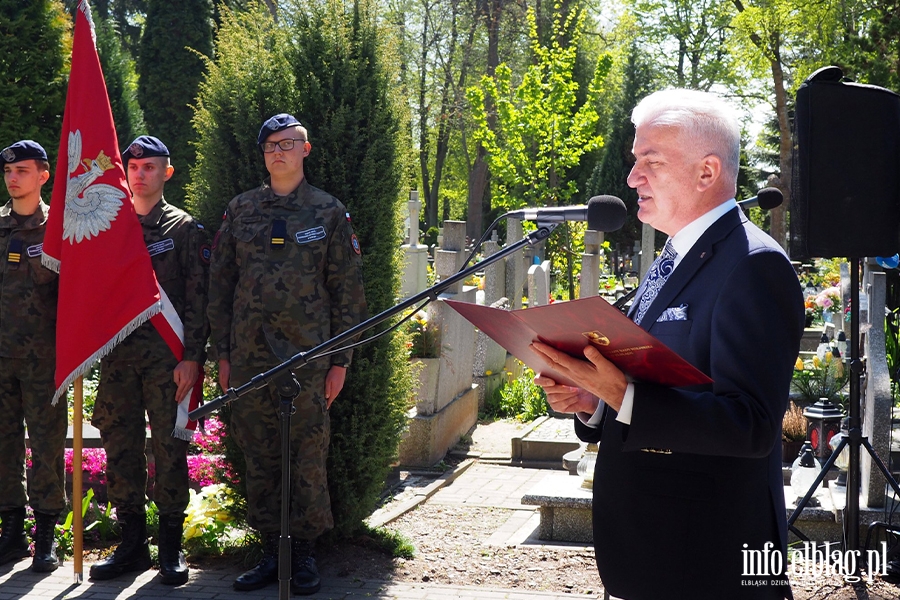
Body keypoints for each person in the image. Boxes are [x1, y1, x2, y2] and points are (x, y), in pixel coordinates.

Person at [532, 90, 804, 600]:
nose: (633, 178)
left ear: (707, 172)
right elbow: (654, 382)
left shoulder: (752, 265)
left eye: (650, 162)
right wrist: (594, 402)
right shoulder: (677, 256)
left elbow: (752, 426)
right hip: (649, 554)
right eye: (635, 162)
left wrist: (624, 397)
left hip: (706, 562)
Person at [207, 113, 367, 595]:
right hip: (250, 356)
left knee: (306, 454)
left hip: (310, 357)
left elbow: (348, 292)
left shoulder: (328, 211)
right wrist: (223, 355)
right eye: (271, 145)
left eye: (288, 143)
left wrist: (341, 362)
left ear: (305, 149)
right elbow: (220, 285)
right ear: (263, 154)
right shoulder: (240, 210)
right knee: (259, 453)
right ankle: (269, 551)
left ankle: (303, 555)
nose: (279, 151)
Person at [88, 136, 209, 586]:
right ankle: (131, 544)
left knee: (169, 450)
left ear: (167, 173)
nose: (140, 173)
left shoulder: (184, 230)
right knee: (120, 447)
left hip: (167, 362)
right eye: (133, 166)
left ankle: (171, 549)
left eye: (150, 167)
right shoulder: (108, 227)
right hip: (118, 359)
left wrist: (193, 358)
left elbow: (199, 302)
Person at [0, 140, 66, 573]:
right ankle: (10, 532)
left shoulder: (60, 231)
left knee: (46, 447)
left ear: (44, 176)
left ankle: (45, 536)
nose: (12, 177)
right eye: (8, 171)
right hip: (1, 360)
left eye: (22, 170)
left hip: (46, 361)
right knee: (3, 447)